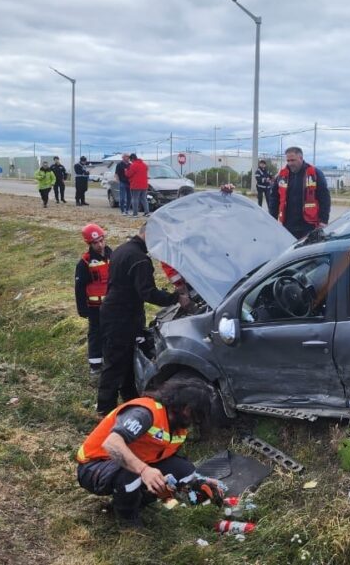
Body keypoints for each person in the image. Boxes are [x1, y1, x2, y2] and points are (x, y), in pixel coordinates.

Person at [76, 377, 226, 527]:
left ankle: (136, 500)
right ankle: (127, 519)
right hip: (94, 466)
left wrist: (198, 480)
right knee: (132, 475)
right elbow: (112, 444)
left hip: (129, 463)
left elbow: (167, 459)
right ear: (186, 408)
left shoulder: (178, 428)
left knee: (185, 470)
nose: (194, 423)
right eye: (195, 416)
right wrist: (144, 470)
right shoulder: (145, 413)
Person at [97, 223, 188, 415]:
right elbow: (148, 293)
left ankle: (129, 400)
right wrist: (175, 298)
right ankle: (105, 409)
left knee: (127, 359)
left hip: (115, 312)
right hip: (122, 316)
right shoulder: (140, 260)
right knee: (115, 362)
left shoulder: (123, 249)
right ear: (148, 235)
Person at [267, 147, 331, 239]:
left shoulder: (315, 174)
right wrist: (271, 220)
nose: (290, 163)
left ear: (301, 158)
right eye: (288, 160)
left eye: (293, 160)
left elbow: (325, 199)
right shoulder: (282, 175)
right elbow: (274, 199)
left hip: (309, 225)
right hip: (288, 225)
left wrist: (324, 221)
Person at [75, 224, 112, 379]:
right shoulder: (85, 262)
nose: (100, 245)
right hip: (94, 307)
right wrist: (82, 309)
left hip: (112, 305)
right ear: (89, 244)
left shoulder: (112, 255)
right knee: (96, 334)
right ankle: (95, 365)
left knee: (112, 333)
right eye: (95, 243)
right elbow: (79, 287)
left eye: (101, 241)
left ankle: (110, 359)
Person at [125, 153, 150, 217]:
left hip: (136, 185)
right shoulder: (144, 165)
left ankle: (135, 213)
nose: (131, 161)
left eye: (131, 160)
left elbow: (128, 174)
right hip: (144, 185)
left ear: (132, 159)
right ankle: (147, 212)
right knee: (144, 199)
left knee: (135, 199)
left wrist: (126, 171)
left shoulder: (134, 165)